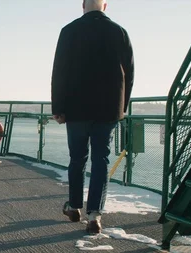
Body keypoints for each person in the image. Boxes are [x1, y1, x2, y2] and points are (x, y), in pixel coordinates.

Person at [50, 0, 134, 234]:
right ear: (105, 6)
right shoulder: (119, 32)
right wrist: (122, 106)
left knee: (77, 159)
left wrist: (58, 107)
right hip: (108, 109)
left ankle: (74, 206)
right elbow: (130, 72)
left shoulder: (69, 31)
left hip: (76, 108)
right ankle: (94, 215)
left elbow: (59, 71)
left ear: (83, 5)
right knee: (101, 161)